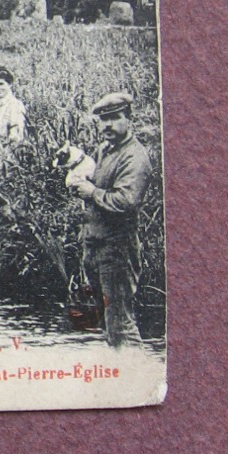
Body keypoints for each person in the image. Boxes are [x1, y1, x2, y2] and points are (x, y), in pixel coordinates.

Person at [67, 91, 154, 347]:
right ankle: (123, 375)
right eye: (103, 119)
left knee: (120, 323)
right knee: (106, 321)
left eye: (114, 118)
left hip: (117, 249)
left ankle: (139, 378)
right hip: (95, 245)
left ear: (129, 119)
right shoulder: (105, 149)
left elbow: (126, 201)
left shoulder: (135, 157)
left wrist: (92, 192)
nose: (107, 125)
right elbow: (99, 184)